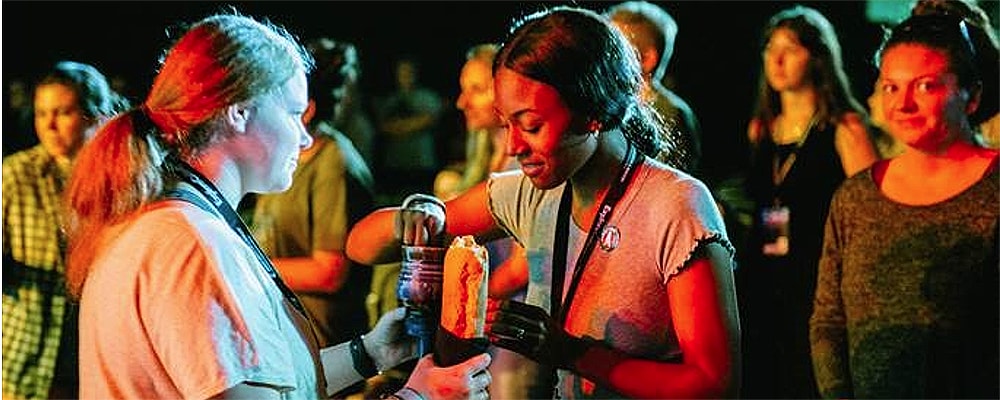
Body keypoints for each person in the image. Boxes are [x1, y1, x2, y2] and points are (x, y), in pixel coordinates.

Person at [62, 12, 489, 399]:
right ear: (238, 113)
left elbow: (262, 384)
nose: (304, 137)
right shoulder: (189, 241)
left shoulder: (168, 219)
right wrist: (419, 398)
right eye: (292, 112)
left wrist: (369, 352)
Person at [346, 6, 740, 399]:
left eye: (532, 125)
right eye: (506, 124)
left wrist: (576, 354)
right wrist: (421, 213)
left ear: (593, 113)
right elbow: (361, 246)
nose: (515, 146)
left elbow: (715, 385)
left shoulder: (677, 205)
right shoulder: (531, 192)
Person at [810, 13, 999, 398]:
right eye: (891, 87)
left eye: (926, 86)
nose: (903, 103)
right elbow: (829, 321)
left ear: (972, 95)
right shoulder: (856, 198)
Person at [739, 5, 880, 398]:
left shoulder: (844, 127)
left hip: (816, 272)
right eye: (770, 48)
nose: (777, 59)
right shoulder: (762, 127)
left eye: (791, 49)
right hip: (765, 270)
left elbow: (872, 212)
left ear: (816, 57)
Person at [248, 36, 376, 397]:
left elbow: (330, 270)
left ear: (305, 109)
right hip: (292, 344)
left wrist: (248, 268)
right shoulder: (286, 162)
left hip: (325, 349)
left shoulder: (332, 163)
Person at [3, 60, 125, 400]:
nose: (50, 125)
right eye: (42, 114)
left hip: (95, 349)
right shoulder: (15, 175)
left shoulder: (119, 179)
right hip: (28, 354)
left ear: (94, 115)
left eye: (63, 112)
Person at [604, 0, 702, 175]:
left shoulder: (671, 113)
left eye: (615, 50)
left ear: (647, 59)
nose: (604, 58)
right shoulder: (606, 106)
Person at [372, 56, 445, 203]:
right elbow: (382, 126)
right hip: (395, 164)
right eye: (402, 72)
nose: (406, 76)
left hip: (422, 163)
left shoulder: (428, 98)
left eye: (409, 72)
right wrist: (411, 125)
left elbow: (428, 120)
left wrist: (399, 127)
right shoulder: (388, 100)